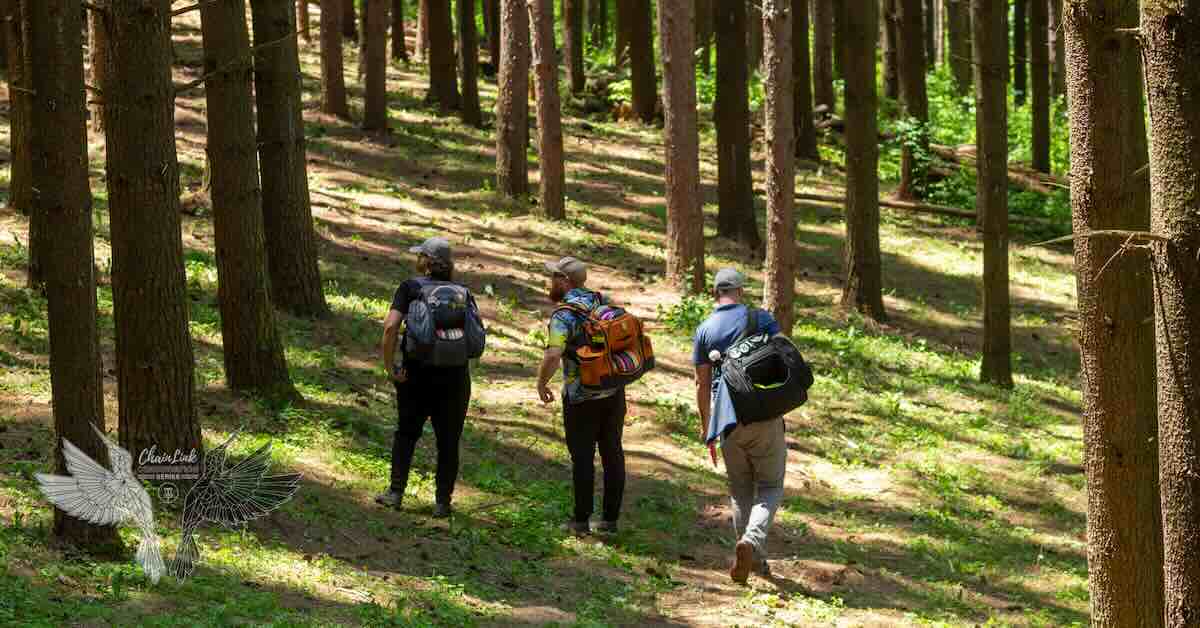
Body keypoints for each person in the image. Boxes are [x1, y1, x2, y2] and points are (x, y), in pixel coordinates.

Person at [692, 268, 787, 584]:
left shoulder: (705, 329)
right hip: (765, 415)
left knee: (740, 488)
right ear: (741, 292)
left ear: (715, 293)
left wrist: (708, 427)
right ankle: (752, 541)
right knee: (771, 486)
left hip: (727, 420)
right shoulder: (761, 319)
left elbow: (701, 384)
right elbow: (785, 355)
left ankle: (753, 560)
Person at [376, 237, 473, 518]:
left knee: (406, 433)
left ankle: (395, 493)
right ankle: (442, 503)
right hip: (455, 378)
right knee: (449, 440)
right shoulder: (463, 292)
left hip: (415, 374)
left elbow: (390, 327)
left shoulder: (410, 288)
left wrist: (390, 366)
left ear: (425, 261)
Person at [535, 257, 627, 537]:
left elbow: (553, 353)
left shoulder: (564, 314)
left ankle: (580, 521)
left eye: (553, 278)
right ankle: (610, 522)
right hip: (612, 391)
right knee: (613, 453)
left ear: (564, 281)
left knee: (583, 458)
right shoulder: (604, 301)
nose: (550, 283)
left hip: (580, 396)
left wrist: (541, 382)